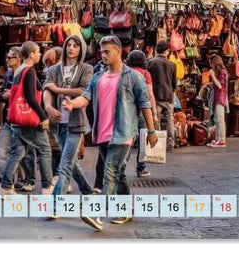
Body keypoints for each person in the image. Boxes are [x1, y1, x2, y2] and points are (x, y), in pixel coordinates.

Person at [63, 35, 157, 230]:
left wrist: (151, 130)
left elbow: (145, 104)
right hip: (102, 134)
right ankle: (125, 210)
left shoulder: (133, 76)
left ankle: (97, 214)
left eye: (106, 51)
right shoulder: (98, 76)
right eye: (101, 51)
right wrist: (72, 104)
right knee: (119, 174)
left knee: (110, 174)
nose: (102, 55)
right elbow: (85, 97)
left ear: (118, 51)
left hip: (123, 133)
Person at [43, 35, 95, 213]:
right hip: (58, 123)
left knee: (64, 164)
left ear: (81, 49)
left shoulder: (86, 69)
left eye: (76, 45)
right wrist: (49, 107)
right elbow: (46, 90)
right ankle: (88, 191)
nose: (71, 48)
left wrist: (59, 90)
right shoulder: (54, 70)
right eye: (69, 45)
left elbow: (84, 90)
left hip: (76, 122)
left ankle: (56, 206)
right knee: (71, 162)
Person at [0, 41, 53, 196]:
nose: (40, 54)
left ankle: (6, 186)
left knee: (17, 152)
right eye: (38, 52)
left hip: (17, 119)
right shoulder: (29, 71)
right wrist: (43, 116)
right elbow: (30, 96)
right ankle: (48, 187)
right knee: (45, 150)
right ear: (31, 53)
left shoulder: (18, 71)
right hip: (30, 119)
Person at [0, 47, 34, 191]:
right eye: (7, 57)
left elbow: (33, 95)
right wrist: (3, 95)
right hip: (9, 117)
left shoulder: (27, 73)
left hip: (23, 118)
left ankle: (28, 180)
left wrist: (15, 93)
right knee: (2, 150)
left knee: (24, 153)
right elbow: (0, 93)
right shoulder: (9, 74)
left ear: (19, 59)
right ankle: (5, 182)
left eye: (10, 57)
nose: (7, 60)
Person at [125, 49, 157, 171]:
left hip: (128, 110)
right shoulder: (145, 73)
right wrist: (154, 113)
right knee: (143, 139)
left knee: (127, 139)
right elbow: (150, 94)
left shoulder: (126, 72)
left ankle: (122, 164)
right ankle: (141, 168)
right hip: (143, 111)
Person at [147, 40, 177, 152]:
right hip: (168, 97)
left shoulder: (150, 63)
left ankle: (158, 144)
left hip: (155, 97)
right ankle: (170, 145)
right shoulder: (172, 64)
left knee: (156, 121)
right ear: (167, 51)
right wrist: (173, 98)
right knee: (170, 121)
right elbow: (174, 84)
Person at [207, 54, 228, 148]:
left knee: (220, 119)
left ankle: (222, 140)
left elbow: (220, 86)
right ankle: (218, 139)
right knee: (217, 119)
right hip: (217, 98)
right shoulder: (220, 72)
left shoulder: (222, 72)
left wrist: (212, 76)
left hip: (220, 98)